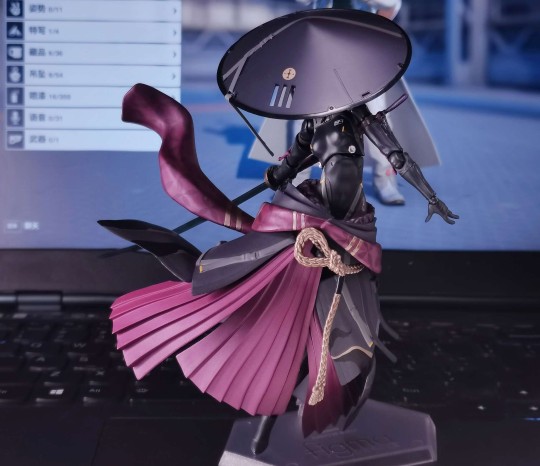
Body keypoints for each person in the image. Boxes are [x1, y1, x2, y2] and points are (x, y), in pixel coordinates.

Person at [101, 82, 457, 455]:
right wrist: (277, 175)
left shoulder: (358, 116)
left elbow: (396, 156)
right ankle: (164, 246)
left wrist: (431, 196)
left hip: (348, 231)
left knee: (344, 336)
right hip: (314, 223)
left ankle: (292, 414)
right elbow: (293, 161)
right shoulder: (312, 123)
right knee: (276, 309)